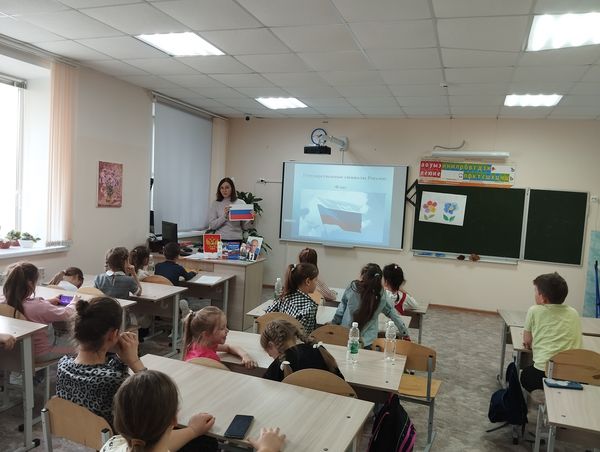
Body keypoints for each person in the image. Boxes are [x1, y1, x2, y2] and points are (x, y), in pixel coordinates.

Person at [101, 370, 285, 452]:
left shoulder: (112, 445)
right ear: (174, 420)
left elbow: (154, 444)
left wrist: (192, 431)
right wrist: (267, 448)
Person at [56, 296, 145, 425]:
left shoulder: (62, 365)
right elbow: (154, 399)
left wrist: (121, 359)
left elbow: (100, 372)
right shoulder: (116, 380)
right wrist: (134, 361)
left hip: (76, 431)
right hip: (113, 437)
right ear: (113, 334)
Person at [520, 272, 582, 392]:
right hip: (573, 374)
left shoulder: (534, 310)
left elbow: (527, 341)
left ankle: (544, 395)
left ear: (542, 297)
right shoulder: (574, 312)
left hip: (543, 373)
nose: (534, 294)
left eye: (535, 291)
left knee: (525, 375)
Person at [0, 261, 76, 360]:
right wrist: (75, 302)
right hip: (42, 352)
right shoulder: (38, 306)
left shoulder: (3, 301)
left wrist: (47, 301)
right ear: (30, 283)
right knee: (83, 343)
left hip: (16, 351)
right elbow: (67, 314)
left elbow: (27, 305)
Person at [332, 263, 409, 348]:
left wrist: (333, 324)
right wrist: (405, 333)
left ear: (363, 275)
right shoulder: (381, 295)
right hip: (368, 341)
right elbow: (392, 313)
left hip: (346, 335)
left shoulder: (353, 287)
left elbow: (341, 309)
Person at [261, 319, 344, 382]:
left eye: (270, 354)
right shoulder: (319, 349)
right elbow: (341, 382)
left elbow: (265, 387)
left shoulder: (280, 364)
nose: (271, 357)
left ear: (271, 345)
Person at [182, 306, 256, 368]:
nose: (227, 330)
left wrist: (245, 355)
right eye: (222, 328)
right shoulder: (209, 359)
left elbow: (228, 347)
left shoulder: (198, 344)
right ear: (206, 334)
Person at [265, 263, 319, 334]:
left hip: (278, 338)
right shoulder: (310, 307)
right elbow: (305, 335)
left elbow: (267, 315)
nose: (316, 283)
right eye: (316, 280)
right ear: (308, 281)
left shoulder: (284, 297)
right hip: (294, 340)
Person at [207, 177, 253, 242]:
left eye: (227, 187)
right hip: (220, 240)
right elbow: (212, 226)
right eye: (222, 188)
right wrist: (224, 216)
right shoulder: (216, 204)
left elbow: (245, 227)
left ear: (232, 188)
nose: (224, 190)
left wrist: (251, 219)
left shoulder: (240, 203)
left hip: (236, 240)